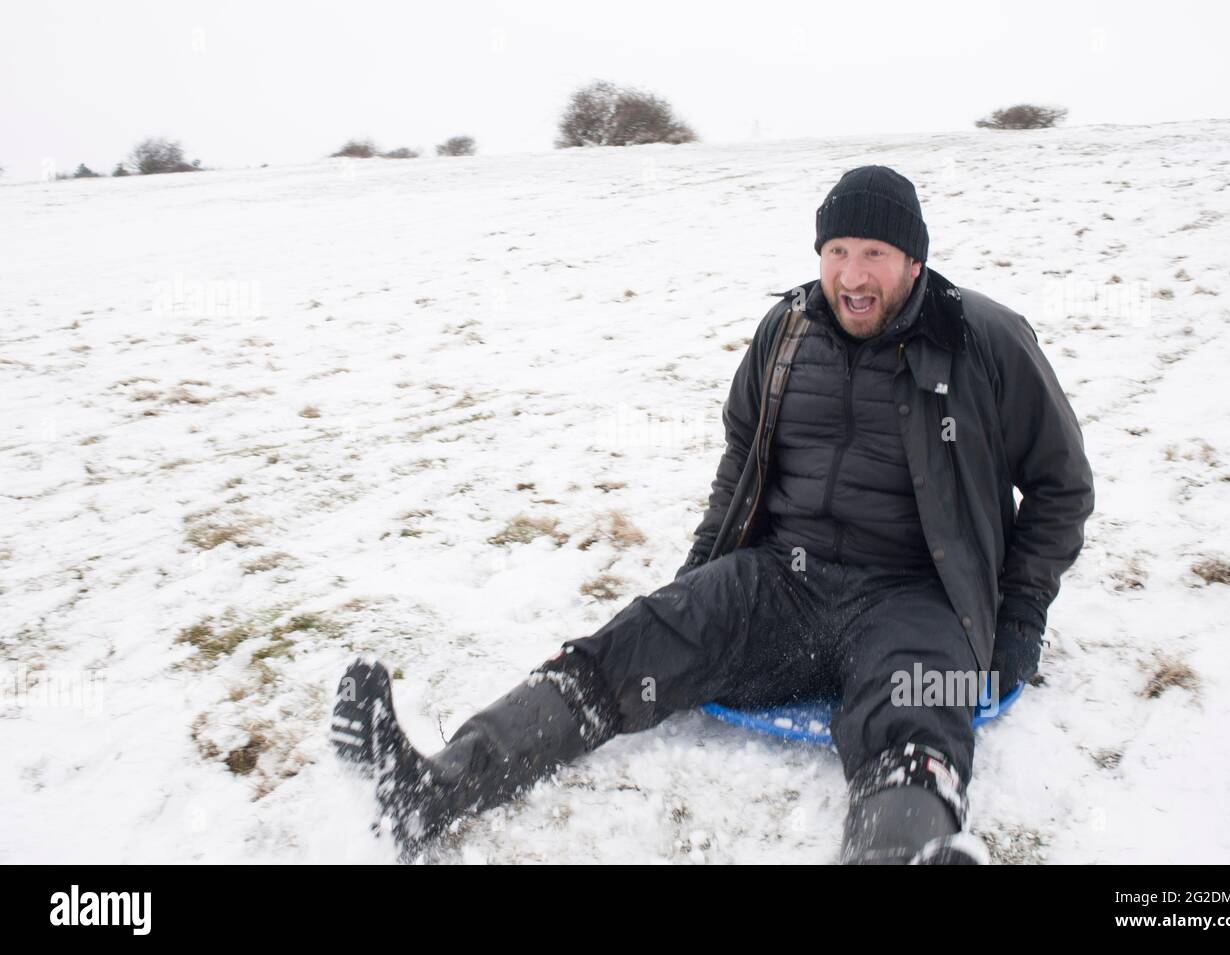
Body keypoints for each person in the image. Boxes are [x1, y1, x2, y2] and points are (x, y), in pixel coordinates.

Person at [331, 165, 1095, 864]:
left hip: (916, 594)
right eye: (836, 251)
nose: (851, 276)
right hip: (782, 581)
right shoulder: (789, 330)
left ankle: (898, 853)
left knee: (915, 709)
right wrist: (700, 576)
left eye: (874, 254)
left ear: (914, 263)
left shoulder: (982, 339)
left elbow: (1063, 484)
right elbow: (743, 453)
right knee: (629, 645)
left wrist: (1021, 612)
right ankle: (433, 790)